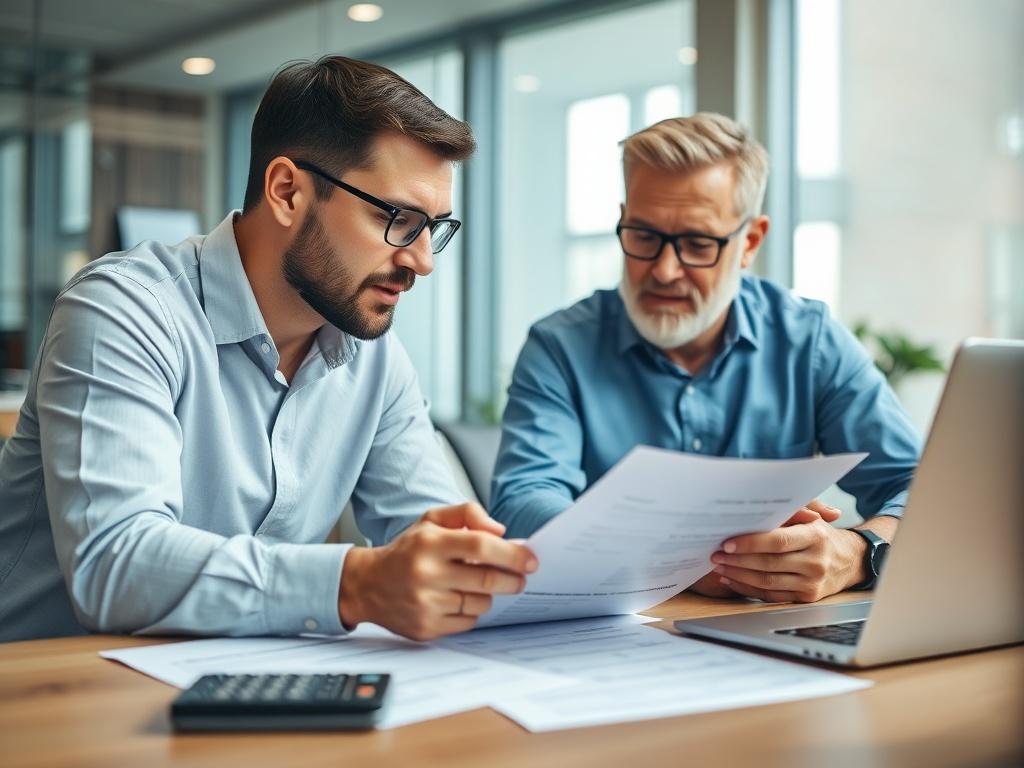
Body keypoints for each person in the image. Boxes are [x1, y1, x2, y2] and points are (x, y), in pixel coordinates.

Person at [0, 56, 536, 644]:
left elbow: (430, 533)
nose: (422, 261)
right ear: (287, 192)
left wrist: (469, 566)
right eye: (399, 219)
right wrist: (355, 583)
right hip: (52, 681)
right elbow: (114, 563)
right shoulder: (124, 310)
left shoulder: (376, 358)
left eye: (434, 228)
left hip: (241, 679)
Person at [491, 113, 920, 604]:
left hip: (767, 628)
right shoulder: (560, 346)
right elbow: (523, 502)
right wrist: (670, 554)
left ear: (749, 242)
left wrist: (858, 551)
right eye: (643, 236)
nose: (664, 270)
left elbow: (922, 488)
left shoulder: (810, 341)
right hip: (618, 626)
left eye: (697, 244)